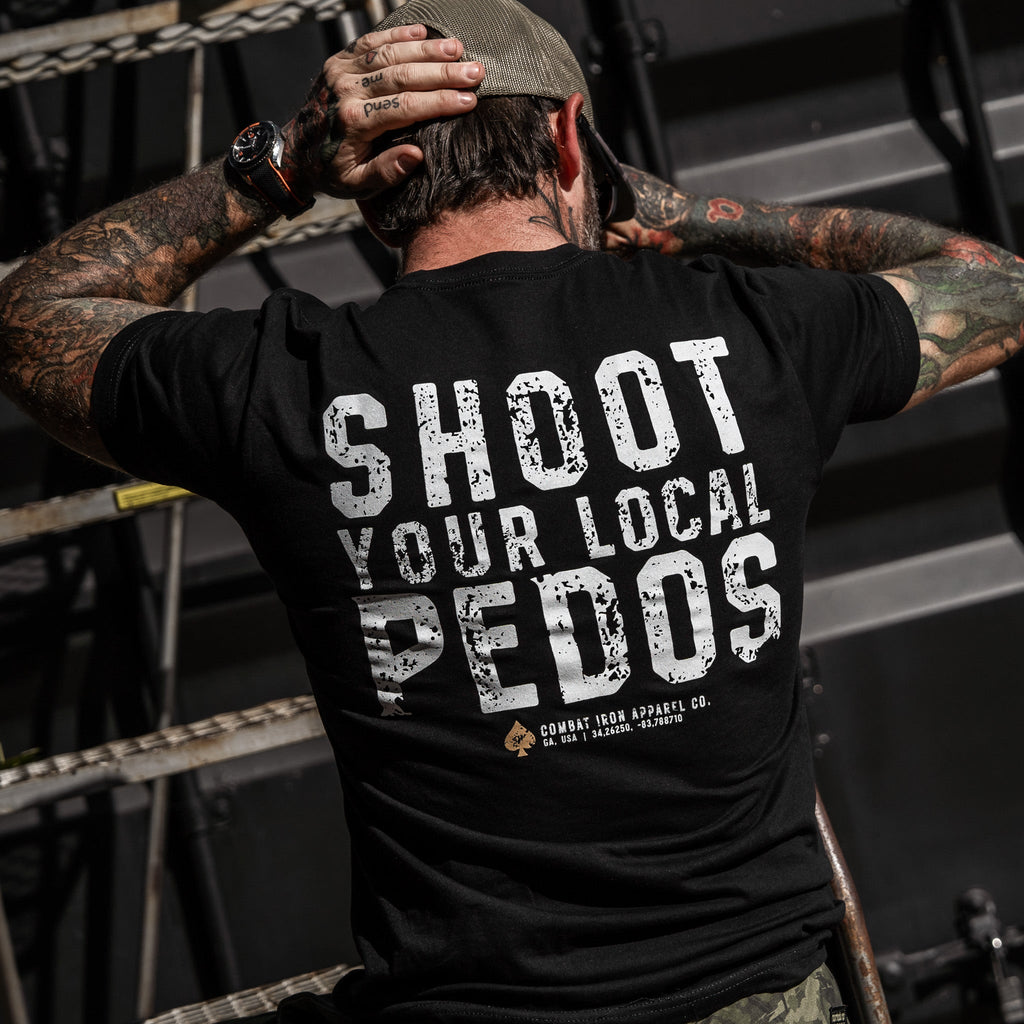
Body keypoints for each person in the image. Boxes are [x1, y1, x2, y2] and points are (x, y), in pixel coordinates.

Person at [1, 1, 1023, 1021]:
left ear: (373, 192)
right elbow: (996, 288)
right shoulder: (754, 332)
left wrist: (276, 165)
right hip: (761, 994)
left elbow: (30, 321)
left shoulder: (287, 387)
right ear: (571, 140)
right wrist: (685, 215)